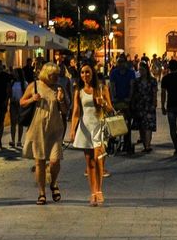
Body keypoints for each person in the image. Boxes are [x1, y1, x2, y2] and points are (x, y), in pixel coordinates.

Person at [21, 63, 68, 204]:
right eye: (54, 75)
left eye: (58, 75)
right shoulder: (34, 85)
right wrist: (32, 99)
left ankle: (53, 183)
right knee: (40, 161)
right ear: (47, 74)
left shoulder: (59, 88)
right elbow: (22, 102)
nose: (57, 78)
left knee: (54, 160)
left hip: (55, 128)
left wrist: (61, 100)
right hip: (38, 128)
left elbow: (65, 111)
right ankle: (41, 193)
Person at [69, 63, 112, 206]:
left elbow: (111, 109)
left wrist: (104, 103)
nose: (84, 75)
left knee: (98, 158)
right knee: (89, 162)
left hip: (98, 126)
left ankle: (99, 190)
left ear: (92, 73)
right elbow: (76, 112)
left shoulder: (101, 88)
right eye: (82, 72)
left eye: (87, 72)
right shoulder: (79, 91)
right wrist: (72, 130)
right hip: (85, 127)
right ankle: (92, 192)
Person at [107, 56, 136, 155]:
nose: (121, 64)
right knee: (115, 121)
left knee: (127, 121)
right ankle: (112, 141)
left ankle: (127, 143)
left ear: (126, 63)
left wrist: (129, 97)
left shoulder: (130, 73)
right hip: (117, 100)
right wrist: (114, 97)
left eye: (122, 62)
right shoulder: (114, 73)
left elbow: (132, 85)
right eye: (119, 62)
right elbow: (112, 85)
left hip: (126, 100)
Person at [129, 60, 158, 153]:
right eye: (140, 70)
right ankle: (145, 143)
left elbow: (154, 93)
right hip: (139, 105)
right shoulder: (136, 81)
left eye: (143, 70)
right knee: (141, 126)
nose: (141, 72)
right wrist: (132, 103)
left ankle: (148, 145)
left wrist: (154, 103)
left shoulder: (153, 81)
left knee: (149, 126)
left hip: (149, 105)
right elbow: (133, 93)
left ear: (147, 70)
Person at [9, 68, 28, 148]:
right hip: (13, 104)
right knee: (13, 122)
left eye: (16, 73)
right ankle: (13, 140)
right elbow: (9, 92)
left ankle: (19, 140)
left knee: (20, 123)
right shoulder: (12, 83)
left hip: (21, 104)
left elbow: (26, 94)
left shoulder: (24, 83)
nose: (14, 74)